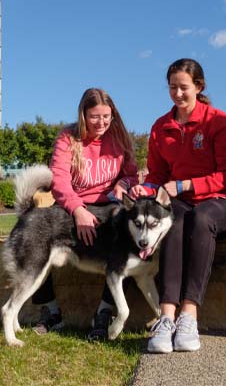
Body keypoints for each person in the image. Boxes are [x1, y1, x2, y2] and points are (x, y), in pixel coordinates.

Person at [130, 58, 226, 354]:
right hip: (178, 204)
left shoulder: (220, 122)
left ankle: (189, 316)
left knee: (201, 218)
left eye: (183, 87)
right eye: (172, 87)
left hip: (218, 203)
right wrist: (148, 187)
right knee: (174, 223)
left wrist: (185, 185)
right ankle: (166, 316)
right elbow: (157, 175)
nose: (177, 94)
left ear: (199, 87)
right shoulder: (161, 127)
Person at [30, 87, 139, 340]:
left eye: (106, 116)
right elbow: (59, 180)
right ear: (83, 114)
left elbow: (131, 174)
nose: (101, 123)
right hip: (74, 205)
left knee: (130, 244)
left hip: (110, 206)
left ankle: (103, 313)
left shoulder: (120, 137)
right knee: (36, 233)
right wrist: (78, 210)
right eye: (94, 116)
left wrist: (123, 185)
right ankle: (51, 312)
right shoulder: (68, 138)